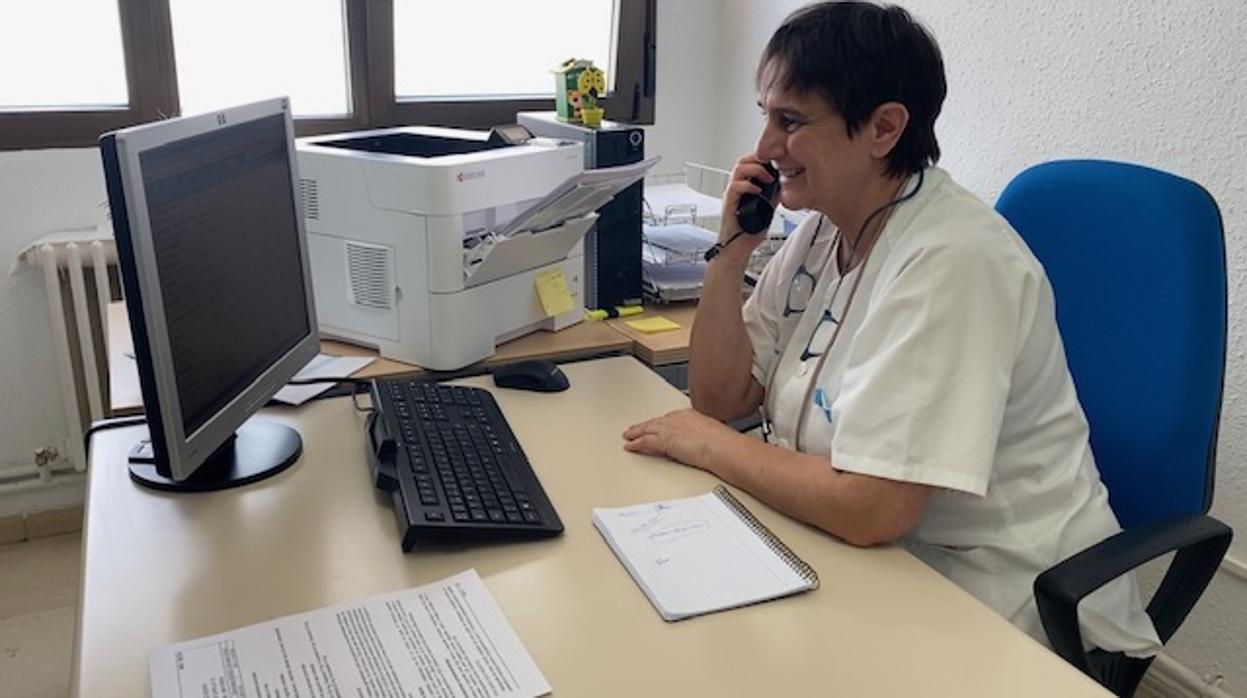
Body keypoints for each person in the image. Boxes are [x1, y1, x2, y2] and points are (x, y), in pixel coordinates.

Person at [622, 1, 1161, 656]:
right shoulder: (824, 226)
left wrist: (706, 445)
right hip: (870, 559)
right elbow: (720, 398)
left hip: (1001, 599)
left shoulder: (954, 260)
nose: (763, 147)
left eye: (788, 121)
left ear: (882, 128)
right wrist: (728, 254)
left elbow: (871, 508)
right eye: (764, 113)